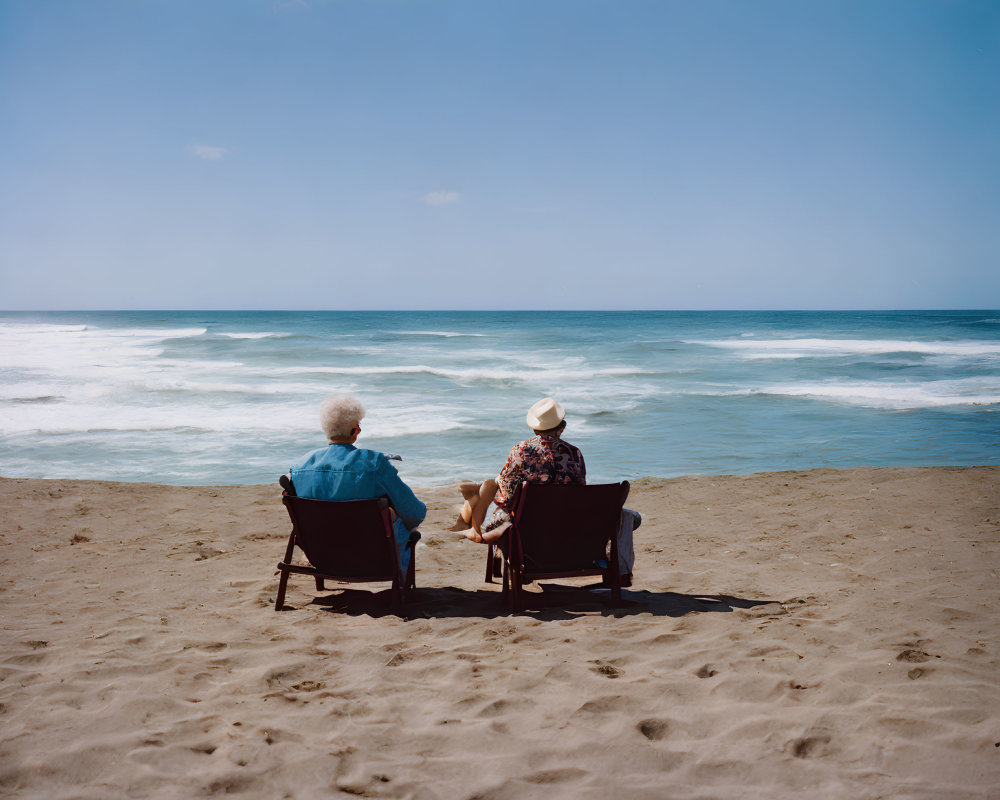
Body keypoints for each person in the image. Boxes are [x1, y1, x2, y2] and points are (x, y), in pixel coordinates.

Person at [452, 397, 639, 581]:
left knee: (499, 514)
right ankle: (619, 572)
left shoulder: (520, 450)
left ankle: (515, 561)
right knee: (632, 517)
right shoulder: (574, 453)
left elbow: (506, 498)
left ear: (534, 428)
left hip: (531, 535)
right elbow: (580, 492)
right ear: (562, 427)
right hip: (569, 531)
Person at [288, 394, 426, 575]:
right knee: (397, 515)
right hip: (373, 561)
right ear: (355, 429)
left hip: (322, 558)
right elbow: (415, 513)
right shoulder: (374, 463)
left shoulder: (299, 467)